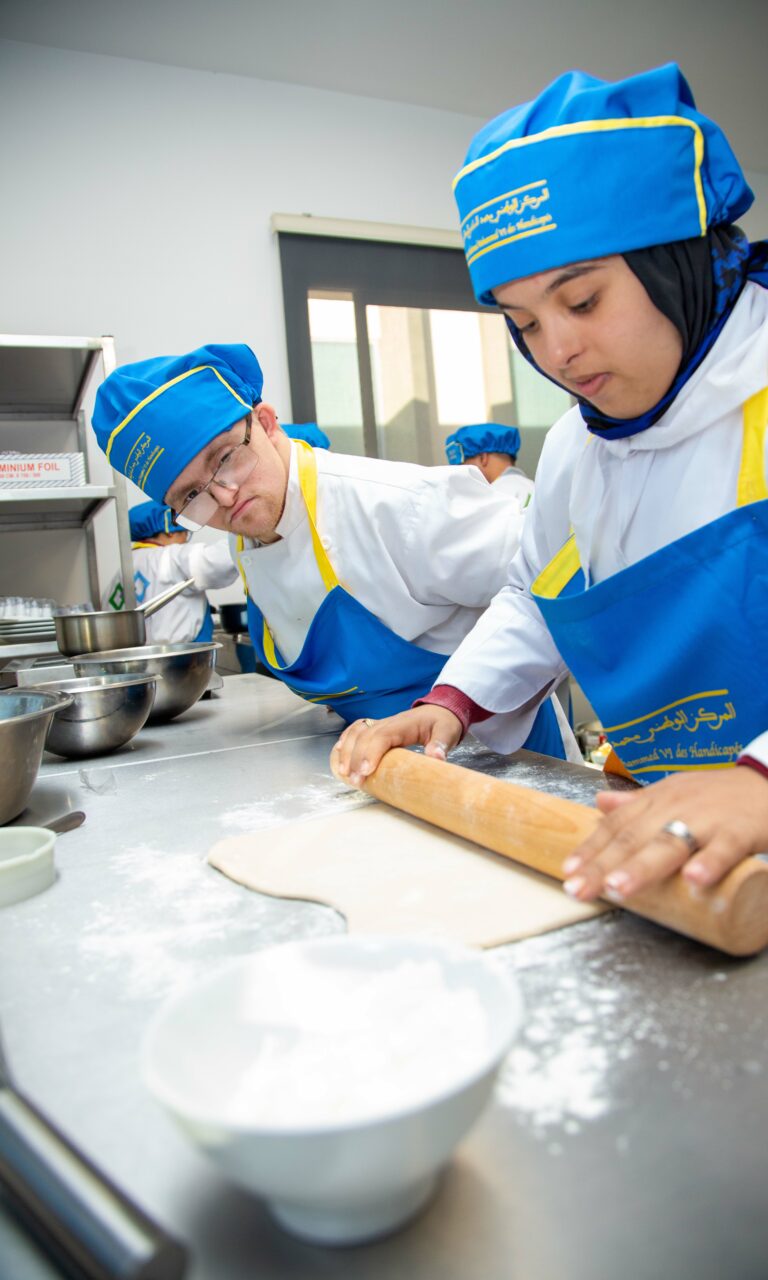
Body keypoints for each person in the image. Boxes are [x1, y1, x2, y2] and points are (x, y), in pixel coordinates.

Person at [335, 63, 768, 907]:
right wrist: (452, 704)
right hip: (677, 860)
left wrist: (756, 779)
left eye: (582, 299)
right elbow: (540, 597)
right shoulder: (578, 445)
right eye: (525, 322)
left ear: (676, 260)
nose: (557, 353)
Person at [90, 343, 574, 755]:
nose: (224, 497)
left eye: (226, 460)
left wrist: (459, 700)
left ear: (266, 421)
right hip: (390, 770)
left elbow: (555, 589)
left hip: (506, 763)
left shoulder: (398, 504)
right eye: (190, 497)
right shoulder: (246, 542)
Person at [106, 499, 239, 643]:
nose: (185, 539)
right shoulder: (168, 558)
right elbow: (223, 558)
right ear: (170, 530)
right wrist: (247, 527)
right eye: (185, 533)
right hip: (177, 660)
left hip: (139, 659)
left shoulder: (126, 566)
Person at [445, 423, 533, 508]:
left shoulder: (491, 498)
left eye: (461, 465)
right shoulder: (533, 487)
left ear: (483, 458)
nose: (460, 472)